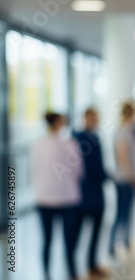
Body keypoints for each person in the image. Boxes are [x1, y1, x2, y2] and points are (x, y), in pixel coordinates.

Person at [31, 112, 82, 280]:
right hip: (68, 198)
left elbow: (34, 170)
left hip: (44, 198)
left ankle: (45, 274)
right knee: (70, 242)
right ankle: (72, 273)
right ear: (59, 122)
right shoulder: (70, 143)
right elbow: (79, 172)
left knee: (47, 240)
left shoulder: (37, 145)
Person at [73, 108, 109, 278]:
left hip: (88, 194)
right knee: (80, 233)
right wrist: (107, 176)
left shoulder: (84, 137)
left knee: (93, 233)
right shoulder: (83, 139)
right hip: (86, 195)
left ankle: (90, 264)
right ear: (86, 118)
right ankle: (82, 266)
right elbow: (95, 168)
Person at [109, 101, 135, 257]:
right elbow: (123, 158)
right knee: (121, 214)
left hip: (127, 179)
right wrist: (132, 177)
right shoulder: (123, 131)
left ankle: (125, 241)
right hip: (125, 180)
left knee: (127, 213)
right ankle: (113, 244)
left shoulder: (128, 130)